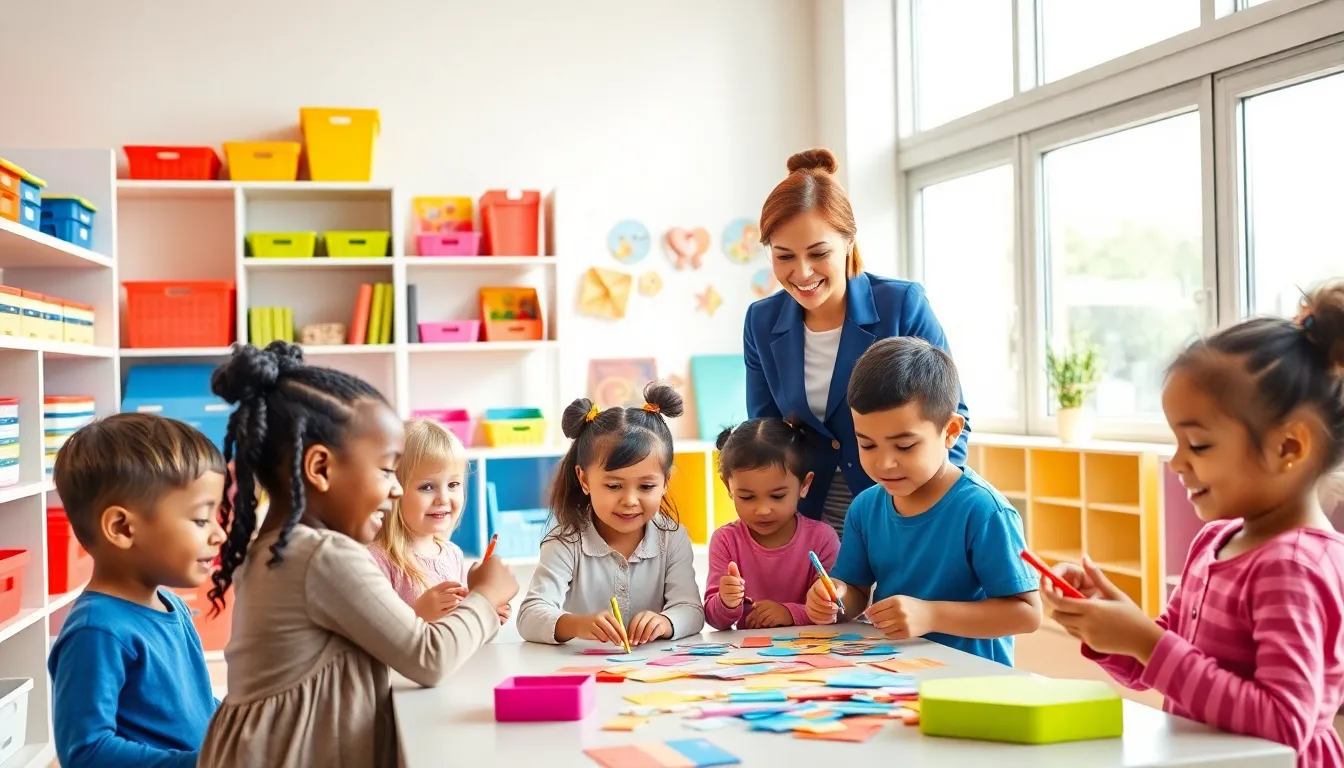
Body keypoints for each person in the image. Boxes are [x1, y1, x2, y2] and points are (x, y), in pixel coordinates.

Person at [1042, 284, 1344, 767]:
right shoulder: (1215, 542)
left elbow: (1287, 723)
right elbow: (1164, 666)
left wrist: (1144, 639)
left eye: (1198, 446)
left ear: (1290, 448)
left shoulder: (1293, 567)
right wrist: (1112, 627)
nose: (1177, 463)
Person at [197, 342, 517, 768]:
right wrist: (484, 596)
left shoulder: (282, 548)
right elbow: (429, 657)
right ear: (321, 469)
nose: (398, 489)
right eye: (387, 470)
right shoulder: (322, 557)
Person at [744, 147, 970, 536]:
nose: (802, 272)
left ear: (849, 242)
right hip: (809, 513)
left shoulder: (901, 304)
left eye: (818, 253)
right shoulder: (761, 321)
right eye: (784, 256)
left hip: (901, 500)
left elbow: (951, 415)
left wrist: (931, 508)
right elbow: (766, 431)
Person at [804, 336, 1039, 664]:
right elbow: (855, 591)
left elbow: (1027, 614)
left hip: (973, 684)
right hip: (893, 676)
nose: (884, 463)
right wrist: (835, 598)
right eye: (867, 445)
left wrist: (931, 615)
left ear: (951, 431)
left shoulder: (984, 510)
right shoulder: (865, 508)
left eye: (904, 446)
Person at [47, 413, 225, 768]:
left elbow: (192, 709)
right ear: (122, 528)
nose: (218, 534)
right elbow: (85, 753)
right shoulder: (97, 631)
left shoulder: (171, 606)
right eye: (201, 519)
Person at [517, 383, 704, 646]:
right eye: (613, 486)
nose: (629, 501)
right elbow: (529, 616)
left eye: (646, 486)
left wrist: (666, 622)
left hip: (652, 670)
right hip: (587, 670)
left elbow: (692, 610)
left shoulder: (671, 538)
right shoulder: (565, 542)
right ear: (584, 479)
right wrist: (576, 624)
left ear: (666, 482)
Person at [703, 418, 840, 630]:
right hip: (747, 657)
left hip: (810, 652)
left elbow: (836, 610)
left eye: (777, 496)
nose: (763, 510)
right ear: (728, 486)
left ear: (804, 485)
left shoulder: (822, 538)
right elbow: (715, 619)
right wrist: (726, 602)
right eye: (747, 497)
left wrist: (789, 612)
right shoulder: (726, 541)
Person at [369, 420, 509, 624]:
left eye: (453, 484)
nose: (443, 498)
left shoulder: (453, 555)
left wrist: (484, 615)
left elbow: (459, 633)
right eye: (426, 487)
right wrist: (416, 614)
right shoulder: (376, 561)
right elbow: (371, 636)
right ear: (393, 491)